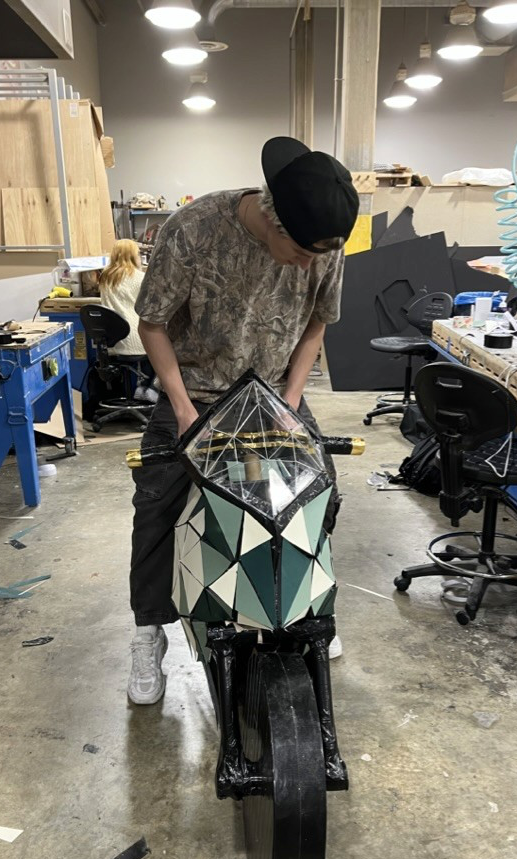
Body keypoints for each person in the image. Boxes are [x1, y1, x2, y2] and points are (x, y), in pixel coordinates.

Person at [127, 137, 359, 704]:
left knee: (315, 494)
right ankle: (147, 632)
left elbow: (315, 327)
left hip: (276, 392)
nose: (310, 265)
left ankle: (307, 604)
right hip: (196, 391)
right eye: (303, 253)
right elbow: (152, 323)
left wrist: (291, 403)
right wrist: (182, 410)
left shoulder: (323, 243)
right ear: (273, 220)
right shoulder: (193, 228)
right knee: (159, 502)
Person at [98, 239, 157, 403]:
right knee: (167, 345)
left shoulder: (104, 277)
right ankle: (150, 388)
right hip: (137, 336)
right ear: (133, 256)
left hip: (113, 340)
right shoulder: (140, 278)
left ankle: (141, 387)